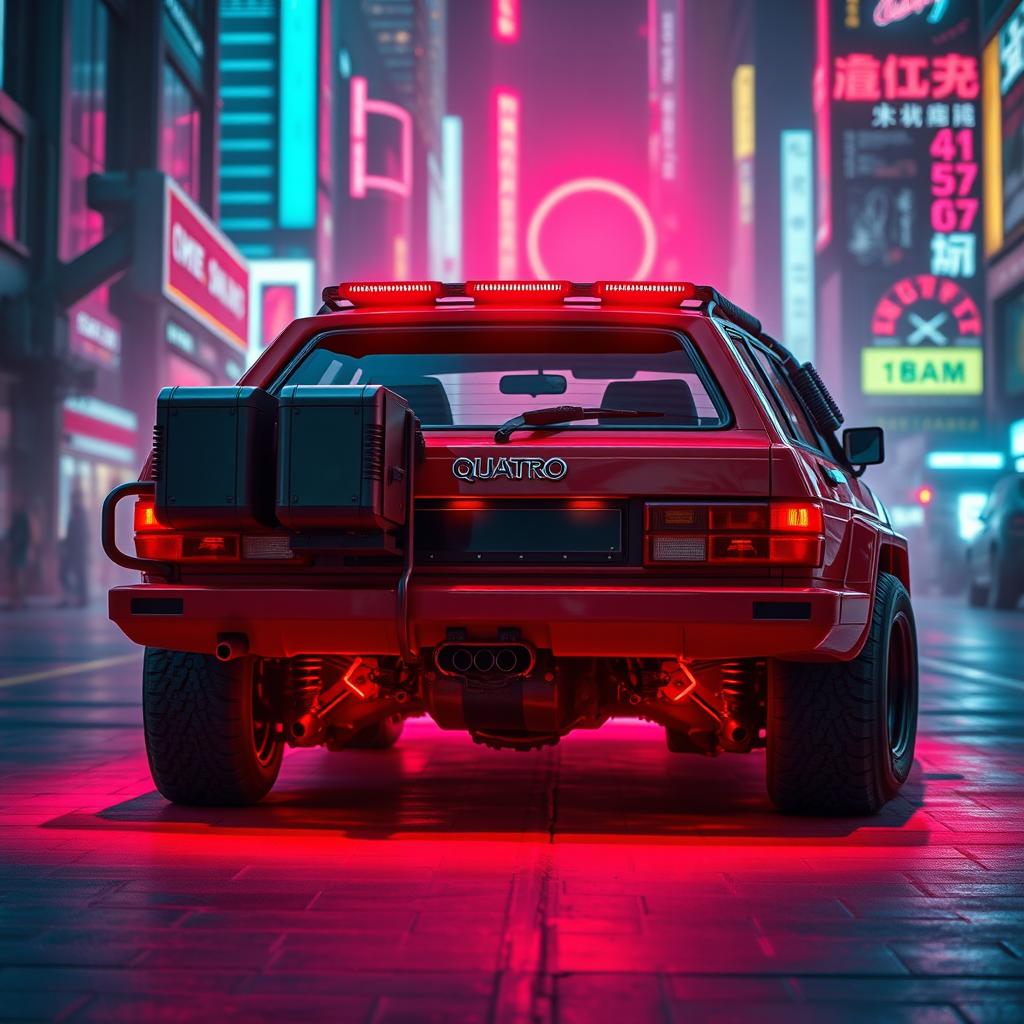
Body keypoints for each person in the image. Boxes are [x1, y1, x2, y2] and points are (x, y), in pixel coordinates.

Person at [60, 490, 89, 608]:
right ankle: (73, 597)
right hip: (71, 550)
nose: (72, 501)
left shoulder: (81, 514)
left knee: (80, 575)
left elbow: (83, 534)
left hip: (79, 551)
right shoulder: (73, 513)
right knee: (64, 574)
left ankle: (81, 598)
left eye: (74, 499)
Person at [5, 506, 32, 610]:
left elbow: (26, 535)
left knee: (18, 576)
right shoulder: (17, 518)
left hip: (20, 550)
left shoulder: (22, 518)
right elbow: (11, 534)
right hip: (17, 550)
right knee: (16, 576)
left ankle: (18, 602)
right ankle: (18, 601)